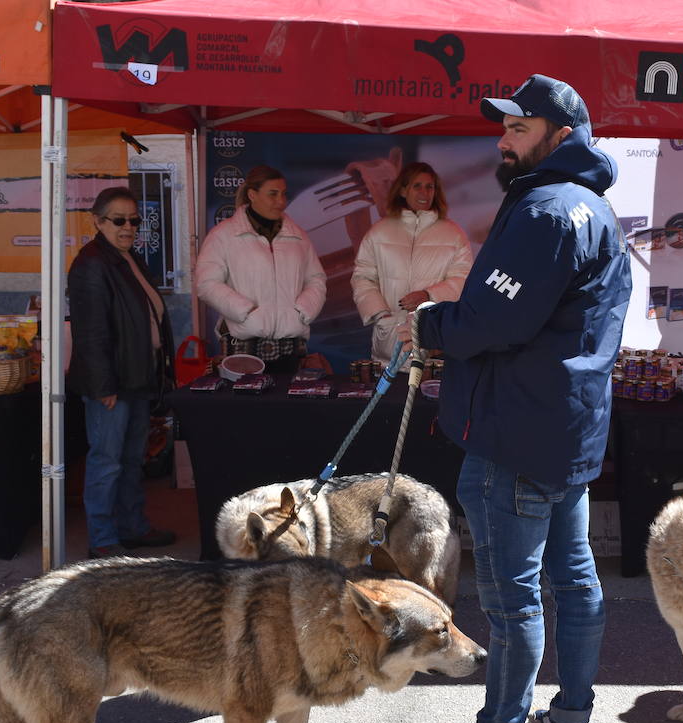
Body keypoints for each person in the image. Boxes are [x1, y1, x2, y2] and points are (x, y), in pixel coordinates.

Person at [397, 74, 632, 723]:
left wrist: (432, 322)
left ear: (562, 135)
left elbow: (496, 320)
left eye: (519, 129)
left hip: (516, 429)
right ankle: (572, 718)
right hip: (565, 428)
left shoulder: (548, 210)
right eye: (504, 129)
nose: (503, 140)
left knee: (512, 600)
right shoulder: (591, 207)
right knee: (574, 580)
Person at [67, 187, 177, 560]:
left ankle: (133, 528)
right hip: (112, 385)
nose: (128, 226)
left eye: (134, 220)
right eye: (119, 220)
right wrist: (103, 386)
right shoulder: (91, 264)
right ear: (97, 222)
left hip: (136, 379)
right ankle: (102, 539)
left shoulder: (125, 257)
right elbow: (90, 332)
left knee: (131, 461)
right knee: (107, 462)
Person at [196, 165, 326, 371]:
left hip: (290, 349)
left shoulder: (298, 236)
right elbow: (206, 283)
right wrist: (245, 311)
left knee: (287, 403)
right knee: (247, 404)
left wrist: (303, 311)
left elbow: (316, 279)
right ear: (252, 195)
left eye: (283, 194)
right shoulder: (224, 235)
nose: (281, 201)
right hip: (243, 348)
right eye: (273, 194)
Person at [351, 162, 472, 362]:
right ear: (403, 190)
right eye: (417, 186)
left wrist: (429, 295)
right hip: (388, 349)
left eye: (429, 186)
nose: (424, 192)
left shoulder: (454, 234)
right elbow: (362, 278)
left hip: (434, 346)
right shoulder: (378, 232)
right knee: (390, 393)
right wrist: (380, 315)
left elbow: (464, 279)